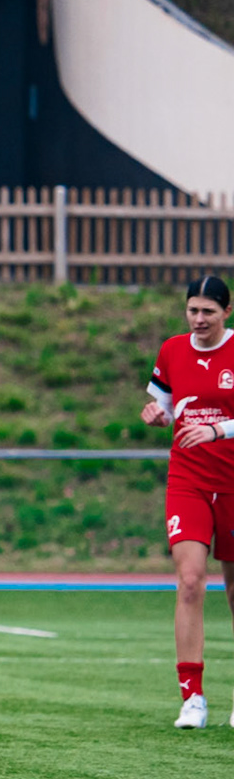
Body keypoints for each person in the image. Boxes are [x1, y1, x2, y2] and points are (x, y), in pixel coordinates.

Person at [142, 274, 234, 729]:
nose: (199, 320)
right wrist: (156, 415)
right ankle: (192, 698)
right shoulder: (172, 350)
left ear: (226, 313)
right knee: (191, 581)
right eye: (193, 310)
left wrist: (219, 430)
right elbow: (165, 405)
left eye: (208, 312)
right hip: (189, 480)